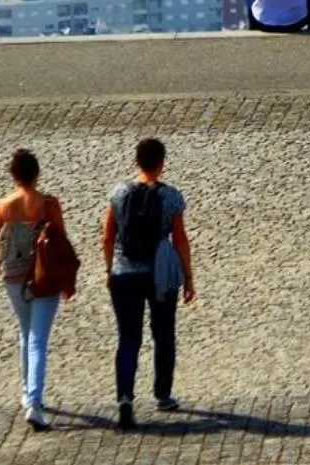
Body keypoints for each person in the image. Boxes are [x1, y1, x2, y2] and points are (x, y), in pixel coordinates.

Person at [103, 137, 195, 432]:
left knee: (128, 337)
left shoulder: (118, 193)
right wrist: (188, 276)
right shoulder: (171, 197)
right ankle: (163, 394)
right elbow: (180, 239)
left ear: (136, 161)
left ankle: (125, 400)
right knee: (163, 331)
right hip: (159, 273)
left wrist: (110, 270)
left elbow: (107, 237)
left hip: (124, 273)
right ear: (162, 162)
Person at [0, 149, 67, 431]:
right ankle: (34, 404)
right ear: (37, 174)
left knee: (26, 333)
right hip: (44, 279)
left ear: (13, 175)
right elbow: (61, 243)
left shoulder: (2, 208)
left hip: (15, 280)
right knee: (38, 339)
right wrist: (67, 279)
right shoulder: (50, 204)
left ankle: (28, 391)